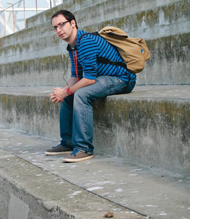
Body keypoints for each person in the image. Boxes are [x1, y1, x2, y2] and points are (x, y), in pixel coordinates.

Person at [45, 10, 136, 163]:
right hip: (102, 79)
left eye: (61, 25)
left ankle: (84, 148)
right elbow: (75, 76)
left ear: (73, 23)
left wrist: (65, 92)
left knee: (80, 94)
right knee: (68, 95)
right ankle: (68, 143)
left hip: (121, 79)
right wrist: (62, 92)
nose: (58, 30)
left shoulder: (85, 42)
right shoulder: (72, 47)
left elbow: (88, 80)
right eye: (55, 28)